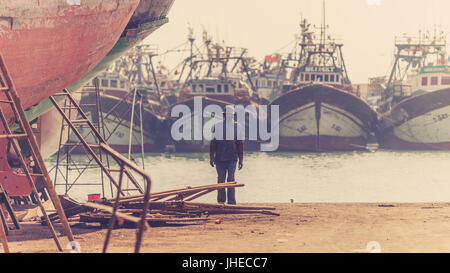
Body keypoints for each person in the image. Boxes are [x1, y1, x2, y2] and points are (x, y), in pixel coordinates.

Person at [209, 106, 244, 205]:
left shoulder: (237, 127)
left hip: (232, 157)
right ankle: (221, 201)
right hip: (219, 158)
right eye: (227, 114)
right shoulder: (218, 126)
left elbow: (240, 144)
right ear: (224, 115)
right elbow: (213, 143)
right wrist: (211, 157)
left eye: (230, 115)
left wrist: (241, 160)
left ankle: (231, 202)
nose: (229, 116)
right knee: (221, 179)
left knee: (231, 179)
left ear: (232, 116)